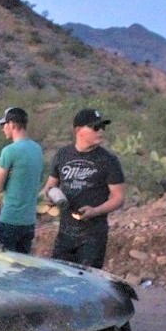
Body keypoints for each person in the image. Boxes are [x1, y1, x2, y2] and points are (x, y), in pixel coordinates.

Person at [42, 108, 125, 269]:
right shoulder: (62, 154)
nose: (100, 131)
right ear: (79, 130)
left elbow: (118, 198)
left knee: (87, 284)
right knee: (59, 281)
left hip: (93, 237)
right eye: (95, 127)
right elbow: (50, 185)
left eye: (102, 127)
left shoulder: (108, 160)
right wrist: (50, 197)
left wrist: (96, 211)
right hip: (65, 234)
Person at [0, 107, 44, 254]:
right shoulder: (37, 149)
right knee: (22, 267)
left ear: (12, 124)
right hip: (29, 221)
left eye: (4, 125)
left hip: (10, 219)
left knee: (2, 266)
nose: (3, 129)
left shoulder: (9, 151)